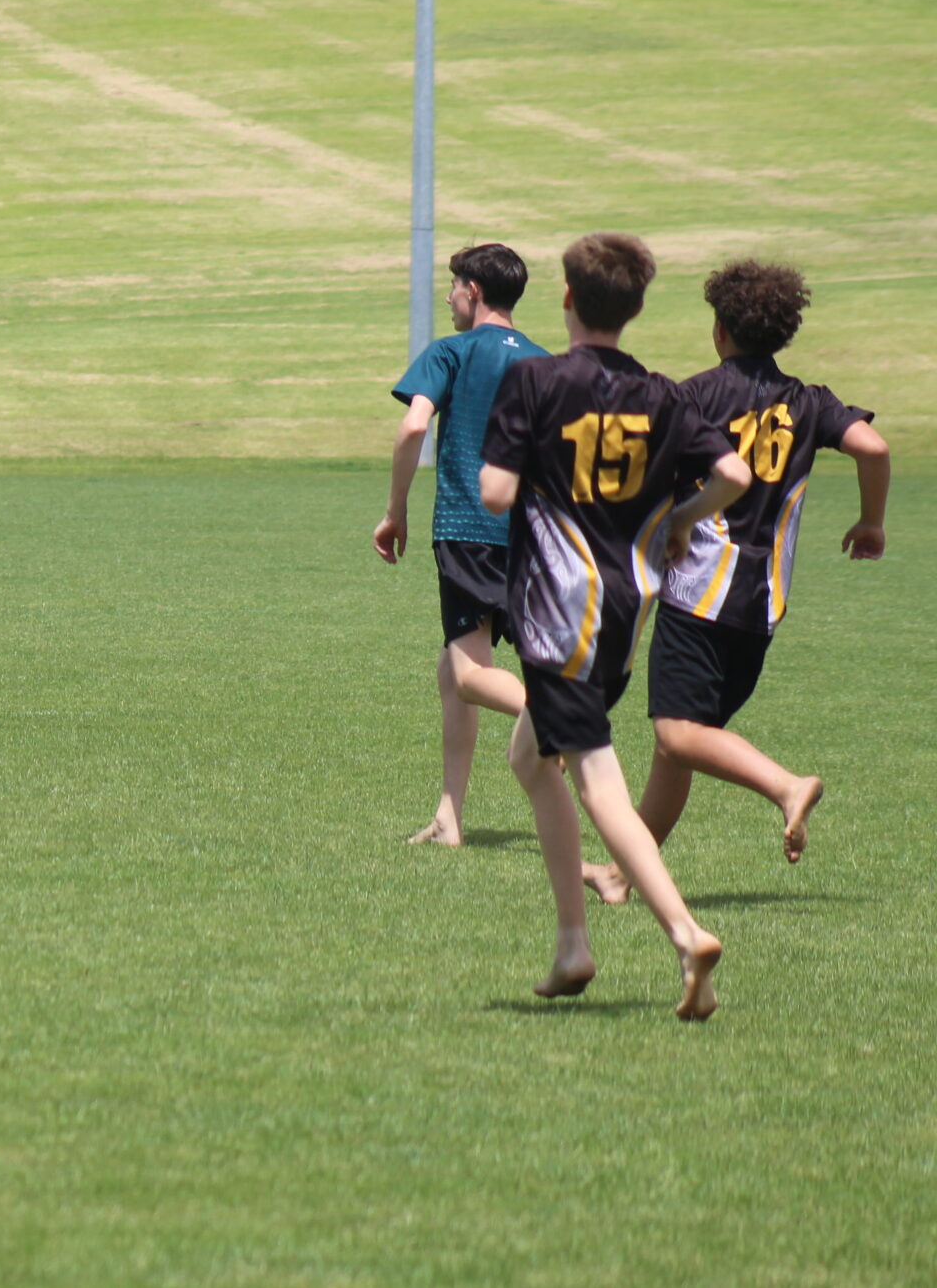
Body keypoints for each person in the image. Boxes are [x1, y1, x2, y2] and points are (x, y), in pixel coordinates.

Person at [470, 233, 751, 1019]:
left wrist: (518, 465)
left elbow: (495, 492)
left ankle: (685, 931)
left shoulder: (536, 381)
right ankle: (572, 944)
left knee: (596, 781)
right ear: (635, 308)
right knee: (530, 755)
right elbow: (734, 473)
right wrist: (682, 518)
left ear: (567, 298)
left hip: (558, 612)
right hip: (626, 612)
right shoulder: (664, 395)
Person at [582, 262, 888, 904]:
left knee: (676, 733)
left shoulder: (692, 397)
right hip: (763, 604)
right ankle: (622, 873)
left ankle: (786, 786)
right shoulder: (810, 402)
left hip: (698, 595)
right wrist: (871, 522)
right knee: (681, 747)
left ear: (720, 328)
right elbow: (874, 448)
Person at [374, 243, 548, 846]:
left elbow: (413, 426)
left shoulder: (450, 352)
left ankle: (555, 715)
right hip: (532, 538)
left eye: (452, 286)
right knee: (451, 670)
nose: (448, 297)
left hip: (467, 529)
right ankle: (449, 815)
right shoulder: (545, 363)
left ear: (473, 291)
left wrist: (395, 512)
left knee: (470, 673)